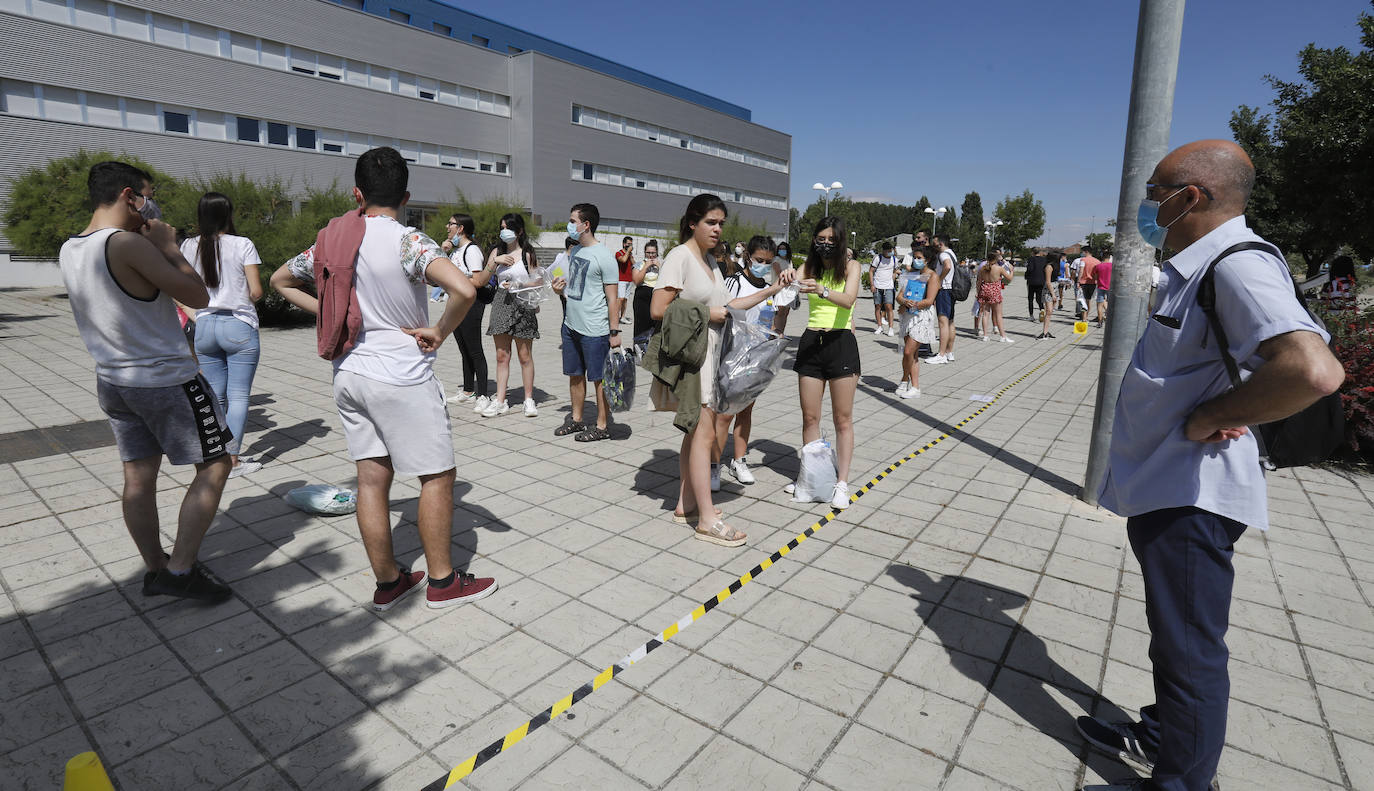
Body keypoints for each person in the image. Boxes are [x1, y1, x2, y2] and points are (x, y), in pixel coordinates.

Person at [1080, 140, 1345, 791]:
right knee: (1175, 641)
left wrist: (1210, 415)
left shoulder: (1235, 265)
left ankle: (1181, 781)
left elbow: (1313, 369)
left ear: (1190, 197)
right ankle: (1167, 732)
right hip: (1168, 488)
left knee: (1189, 654)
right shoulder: (1198, 266)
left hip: (1193, 498)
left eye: (1155, 191)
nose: (1148, 205)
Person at [270, 147, 496, 611]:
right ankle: (442, 582)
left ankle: (389, 582)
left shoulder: (330, 242)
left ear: (357, 193)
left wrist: (330, 316)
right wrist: (440, 329)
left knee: (372, 480)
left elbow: (280, 281)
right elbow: (465, 288)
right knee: (437, 475)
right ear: (406, 196)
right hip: (401, 375)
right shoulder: (408, 242)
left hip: (349, 373)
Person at [62, 161, 232, 601]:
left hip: (114, 380)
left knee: (138, 478)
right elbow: (198, 296)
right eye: (147, 195)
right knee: (216, 463)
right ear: (128, 195)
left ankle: (156, 568)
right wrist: (171, 246)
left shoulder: (72, 247)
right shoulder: (125, 245)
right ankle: (180, 572)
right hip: (164, 379)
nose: (150, 204)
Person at [651, 194, 743, 547]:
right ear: (693, 222)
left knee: (695, 434)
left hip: (711, 356)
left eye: (721, 223)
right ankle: (706, 519)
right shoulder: (681, 256)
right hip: (696, 358)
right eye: (711, 222)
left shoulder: (709, 261)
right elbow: (659, 308)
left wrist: (772, 289)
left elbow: (724, 305)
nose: (718, 229)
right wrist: (707, 315)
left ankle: (685, 505)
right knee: (704, 435)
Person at [178, 192, 264, 478]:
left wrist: (197, 315)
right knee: (238, 396)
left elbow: (177, 290)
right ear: (228, 214)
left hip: (204, 326)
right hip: (238, 324)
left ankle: (215, 457)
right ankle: (234, 461)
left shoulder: (188, 245)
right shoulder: (243, 244)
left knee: (216, 396)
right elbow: (256, 291)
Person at [789, 216, 862, 510]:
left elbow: (849, 299)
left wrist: (822, 290)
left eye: (832, 239)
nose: (826, 243)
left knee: (842, 419)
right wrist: (784, 277)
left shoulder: (852, 266)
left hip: (841, 342)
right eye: (821, 238)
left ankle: (841, 483)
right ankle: (811, 479)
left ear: (841, 240)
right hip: (811, 343)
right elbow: (789, 280)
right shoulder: (809, 266)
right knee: (810, 418)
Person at [713, 235, 795, 490]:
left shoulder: (769, 285)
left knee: (746, 410)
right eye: (759, 259)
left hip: (757, 356)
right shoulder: (736, 281)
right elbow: (728, 307)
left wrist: (779, 323)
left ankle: (739, 459)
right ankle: (713, 465)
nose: (763, 265)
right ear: (748, 255)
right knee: (725, 413)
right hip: (731, 354)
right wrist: (769, 291)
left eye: (768, 262)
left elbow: (775, 321)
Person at [552, 203, 621, 442]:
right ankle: (577, 419)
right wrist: (558, 290)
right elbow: (576, 288)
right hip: (571, 325)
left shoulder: (605, 256)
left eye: (573, 221)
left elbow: (613, 299)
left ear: (586, 224)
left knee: (599, 379)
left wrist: (614, 331)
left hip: (595, 329)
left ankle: (602, 426)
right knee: (575, 374)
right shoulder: (577, 251)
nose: (569, 225)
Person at [481, 212, 541, 418]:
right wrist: (494, 261)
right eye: (502, 227)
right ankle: (500, 400)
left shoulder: (528, 253)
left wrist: (520, 284)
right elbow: (481, 279)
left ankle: (529, 399)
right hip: (501, 303)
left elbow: (539, 280)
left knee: (525, 355)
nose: (504, 231)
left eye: (508, 227)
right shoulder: (496, 251)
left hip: (523, 305)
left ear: (519, 231)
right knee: (501, 356)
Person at [440, 214, 494, 411]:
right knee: (464, 349)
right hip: (456, 303)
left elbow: (479, 281)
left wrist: (456, 279)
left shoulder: (471, 251)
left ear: (460, 228)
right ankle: (468, 390)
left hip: (471, 304)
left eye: (451, 224)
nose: (448, 227)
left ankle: (483, 395)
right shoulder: (456, 251)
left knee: (475, 350)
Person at [893, 246, 939, 398]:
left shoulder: (932, 276)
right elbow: (899, 296)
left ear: (928, 259)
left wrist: (915, 304)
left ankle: (915, 387)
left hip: (921, 317)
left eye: (919, 258)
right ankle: (905, 381)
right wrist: (904, 302)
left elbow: (930, 300)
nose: (916, 260)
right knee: (910, 354)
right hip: (908, 316)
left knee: (909, 351)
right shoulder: (910, 274)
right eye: (915, 257)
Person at [926, 234, 959, 364]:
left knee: (943, 322)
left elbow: (947, 266)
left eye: (935, 243)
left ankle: (941, 354)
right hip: (952, 290)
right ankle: (949, 352)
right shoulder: (952, 253)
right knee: (950, 322)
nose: (934, 246)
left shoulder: (943, 254)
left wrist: (939, 280)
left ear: (940, 243)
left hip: (944, 290)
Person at [976, 252, 1015, 343]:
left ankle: (985, 336)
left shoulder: (983, 269)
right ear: (996, 259)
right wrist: (1012, 270)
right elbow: (1009, 278)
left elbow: (978, 282)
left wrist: (978, 293)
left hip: (984, 290)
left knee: (986, 314)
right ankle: (1003, 336)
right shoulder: (999, 269)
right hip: (995, 292)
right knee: (998, 315)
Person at [631, 239, 661, 353]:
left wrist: (660, 268)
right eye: (648, 253)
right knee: (641, 323)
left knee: (655, 324)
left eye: (653, 253)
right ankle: (639, 350)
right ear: (645, 253)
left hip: (656, 296)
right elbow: (637, 281)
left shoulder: (660, 264)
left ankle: (653, 350)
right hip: (642, 296)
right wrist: (646, 267)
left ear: (657, 253)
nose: (651, 255)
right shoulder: (638, 265)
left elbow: (666, 280)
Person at [870, 241, 899, 335]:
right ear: (884, 250)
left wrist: (893, 280)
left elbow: (895, 271)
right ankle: (879, 326)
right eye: (888, 250)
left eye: (891, 250)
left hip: (889, 287)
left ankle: (891, 328)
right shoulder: (878, 258)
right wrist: (872, 284)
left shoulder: (894, 259)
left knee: (889, 307)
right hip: (877, 286)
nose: (890, 252)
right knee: (877, 306)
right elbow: (871, 271)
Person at [771, 241, 795, 334]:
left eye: (784, 249)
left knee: (785, 313)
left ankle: (781, 332)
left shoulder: (789, 261)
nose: (782, 250)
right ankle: (775, 333)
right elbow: (779, 273)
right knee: (779, 313)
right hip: (779, 289)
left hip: (788, 289)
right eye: (780, 249)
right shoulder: (776, 259)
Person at [1034, 252, 1056, 339]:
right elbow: (1048, 281)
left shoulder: (1053, 266)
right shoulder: (1049, 266)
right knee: (1049, 311)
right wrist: (1053, 294)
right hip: (1048, 290)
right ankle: (1044, 332)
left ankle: (1046, 331)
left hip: (1053, 289)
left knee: (1050, 312)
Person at [614, 235, 635, 323]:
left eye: (631, 244)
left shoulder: (630, 254)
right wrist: (628, 253)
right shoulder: (619, 253)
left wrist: (630, 255)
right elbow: (623, 260)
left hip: (629, 280)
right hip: (621, 279)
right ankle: (615, 316)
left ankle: (622, 317)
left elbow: (634, 264)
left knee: (625, 299)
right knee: (621, 298)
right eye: (628, 244)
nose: (630, 245)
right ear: (623, 244)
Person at [1025, 249, 1049, 321]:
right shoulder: (1044, 260)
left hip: (1032, 281)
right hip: (1041, 281)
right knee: (1039, 298)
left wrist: (1026, 275)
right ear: (1040, 252)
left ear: (1033, 252)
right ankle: (1042, 309)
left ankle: (1031, 315)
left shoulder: (1031, 259)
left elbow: (1030, 269)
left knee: (1030, 299)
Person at [1077, 247, 1099, 321]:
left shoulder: (1083, 260)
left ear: (1086, 252)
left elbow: (1081, 271)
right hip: (1093, 283)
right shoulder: (1097, 261)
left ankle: (1084, 318)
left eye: (1082, 252)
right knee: (1088, 300)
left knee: (1082, 300)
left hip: (1083, 282)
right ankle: (1086, 316)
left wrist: (1078, 281)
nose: (1082, 253)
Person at [1094, 251, 1114, 326]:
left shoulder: (1098, 266)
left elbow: (1095, 277)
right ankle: (1110, 319)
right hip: (1110, 287)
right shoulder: (1112, 266)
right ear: (1109, 258)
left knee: (1099, 304)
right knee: (1110, 303)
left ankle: (1100, 321)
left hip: (1100, 286)